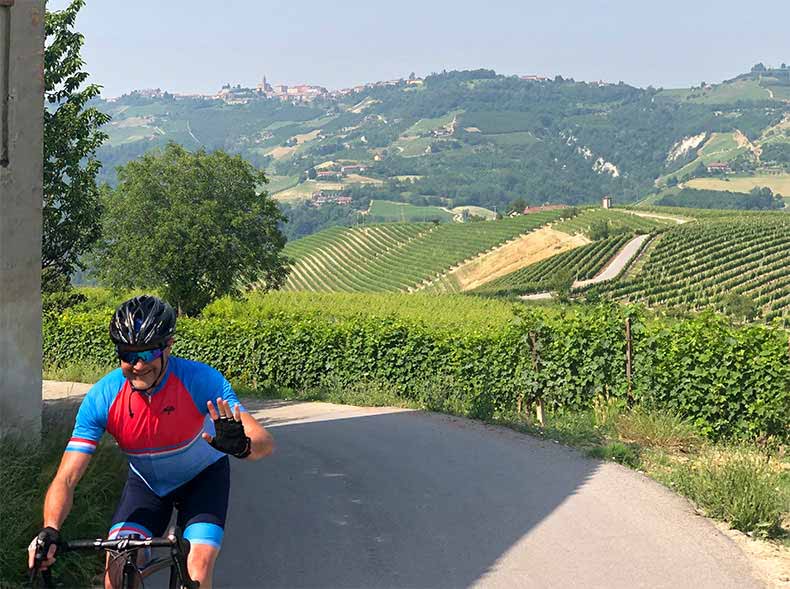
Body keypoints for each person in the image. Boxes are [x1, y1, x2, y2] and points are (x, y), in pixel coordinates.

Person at [28, 295, 274, 589]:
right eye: (128, 355)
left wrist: (243, 447)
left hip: (203, 480)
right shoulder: (103, 398)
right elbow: (67, 478)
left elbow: (264, 442)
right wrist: (50, 529)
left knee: (197, 565)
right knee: (118, 567)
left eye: (147, 353)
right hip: (147, 486)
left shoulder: (200, 380)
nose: (138, 365)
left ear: (168, 346)